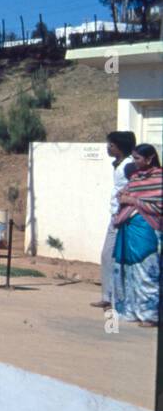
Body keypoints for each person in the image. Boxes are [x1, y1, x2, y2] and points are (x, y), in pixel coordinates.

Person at [111, 143, 161, 327]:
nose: (135, 162)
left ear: (149, 159)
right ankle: (130, 310)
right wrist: (123, 197)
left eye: (138, 158)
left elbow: (158, 205)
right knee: (128, 270)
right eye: (133, 158)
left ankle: (150, 314)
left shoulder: (159, 178)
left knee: (146, 271)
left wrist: (132, 200)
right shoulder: (136, 177)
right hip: (129, 228)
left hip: (146, 229)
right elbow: (124, 194)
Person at [92, 131, 136, 308]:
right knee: (110, 256)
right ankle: (109, 296)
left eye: (111, 145)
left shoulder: (129, 166)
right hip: (117, 215)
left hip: (124, 217)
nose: (108, 148)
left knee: (111, 255)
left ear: (119, 147)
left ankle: (114, 297)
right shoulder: (120, 164)